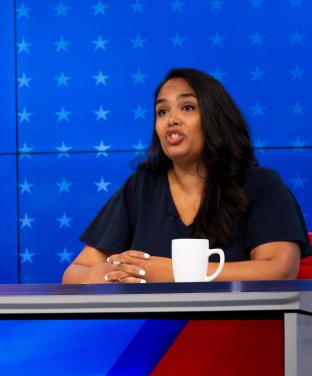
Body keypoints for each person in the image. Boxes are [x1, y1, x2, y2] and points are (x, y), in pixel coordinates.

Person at [63, 68, 310, 284]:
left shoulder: (261, 184)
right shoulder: (141, 187)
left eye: (188, 107)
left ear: (216, 118)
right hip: (155, 335)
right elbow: (74, 273)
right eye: (162, 112)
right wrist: (111, 274)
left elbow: (279, 271)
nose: (171, 120)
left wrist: (174, 273)